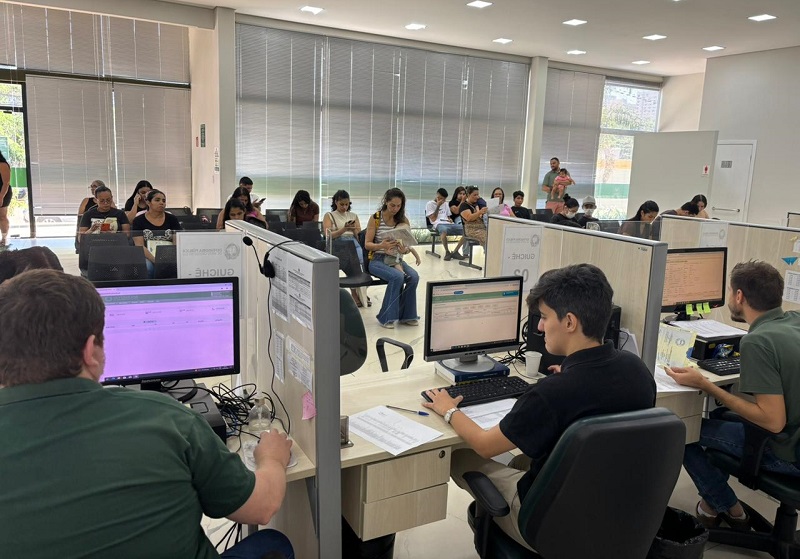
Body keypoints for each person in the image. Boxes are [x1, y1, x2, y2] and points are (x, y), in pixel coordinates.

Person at [0, 269, 295, 559]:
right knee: (273, 543)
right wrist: (271, 457)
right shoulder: (169, 420)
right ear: (90, 351)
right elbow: (261, 507)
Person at [422, 264, 656, 550]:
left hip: (550, 526)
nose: (539, 327)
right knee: (521, 460)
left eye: (544, 317)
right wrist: (570, 374)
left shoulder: (553, 393)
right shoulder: (637, 369)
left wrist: (449, 409)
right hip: (619, 513)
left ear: (569, 322)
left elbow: (484, 445)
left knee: (459, 455)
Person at [667, 261, 800, 529]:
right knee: (719, 415)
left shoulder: (758, 341)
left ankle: (730, 508)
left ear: (739, 296)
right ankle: (711, 506)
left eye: (730, 291)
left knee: (680, 431)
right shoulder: (794, 320)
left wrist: (707, 385)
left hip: (788, 452)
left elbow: (773, 421)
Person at [364, 187, 420, 329]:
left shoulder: (403, 220)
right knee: (397, 277)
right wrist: (381, 246)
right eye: (392, 205)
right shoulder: (376, 218)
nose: (395, 209)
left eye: (398, 206)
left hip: (396, 258)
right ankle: (386, 317)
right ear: (386, 202)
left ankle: (407, 315)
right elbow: (367, 244)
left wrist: (404, 250)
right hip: (377, 259)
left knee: (414, 277)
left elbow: (407, 246)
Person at [323, 189, 369, 308]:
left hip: (353, 242)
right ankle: (355, 293)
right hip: (338, 244)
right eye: (341, 204)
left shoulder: (353, 216)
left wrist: (354, 230)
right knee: (353, 264)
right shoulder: (329, 216)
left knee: (365, 262)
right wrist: (344, 229)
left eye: (346, 204)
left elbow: (359, 237)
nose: (344, 207)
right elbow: (328, 236)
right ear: (336, 202)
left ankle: (362, 291)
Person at [131, 189, 183, 277]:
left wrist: (171, 258)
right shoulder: (138, 220)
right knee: (148, 268)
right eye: (157, 200)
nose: (161, 203)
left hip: (169, 256)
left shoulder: (172, 219)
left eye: (164, 201)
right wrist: (155, 260)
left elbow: (177, 242)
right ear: (148, 202)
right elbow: (139, 246)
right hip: (147, 256)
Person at [426, 188, 465, 261]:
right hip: (438, 224)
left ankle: (455, 251)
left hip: (448, 223)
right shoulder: (430, 204)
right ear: (437, 195)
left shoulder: (446, 204)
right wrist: (438, 206)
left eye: (443, 199)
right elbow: (433, 219)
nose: (442, 201)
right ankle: (447, 252)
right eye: (440, 198)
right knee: (444, 230)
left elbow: (448, 216)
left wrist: (450, 219)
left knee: (466, 230)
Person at [0, 149, 11, 247]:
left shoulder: (2, 164)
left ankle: (4, 239)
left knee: (2, 216)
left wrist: (1, 196)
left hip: (3, 192)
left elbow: (6, 183)